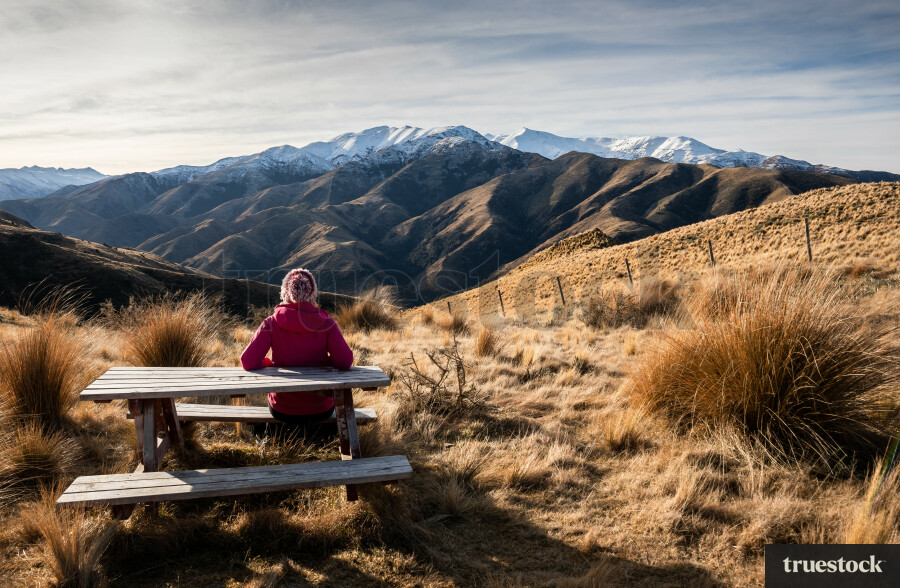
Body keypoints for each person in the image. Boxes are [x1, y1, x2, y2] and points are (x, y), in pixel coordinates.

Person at [240, 268, 353, 439]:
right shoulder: (327, 323)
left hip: (282, 409)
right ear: (312, 293)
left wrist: (267, 363)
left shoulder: (271, 323)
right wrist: (327, 361)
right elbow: (345, 361)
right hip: (320, 409)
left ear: (285, 292)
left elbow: (248, 361)